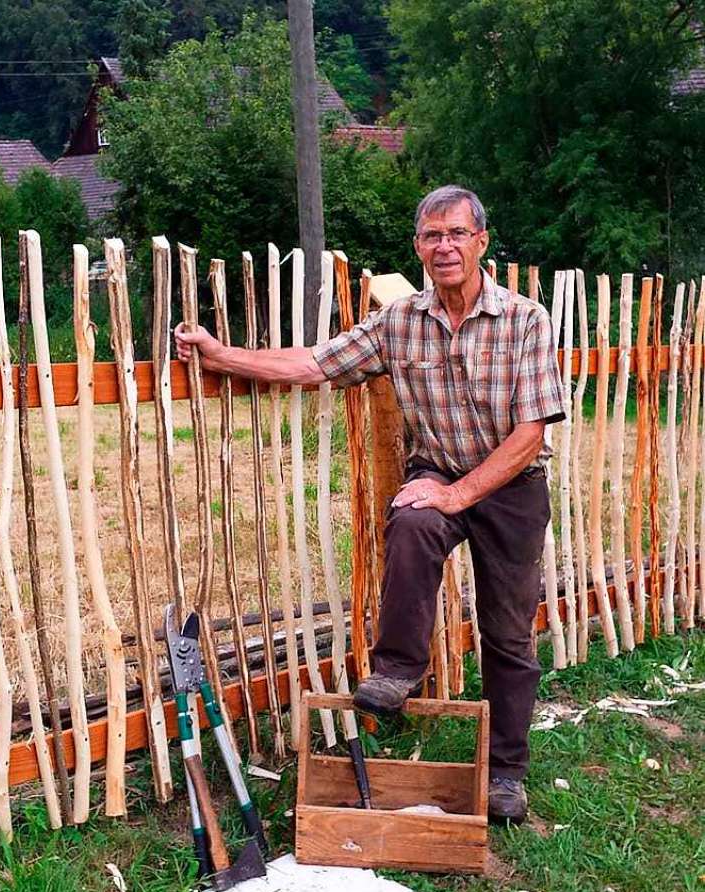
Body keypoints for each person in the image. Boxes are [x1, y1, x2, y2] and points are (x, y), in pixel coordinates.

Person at [174, 184, 565, 824]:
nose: (444, 247)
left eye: (456, 234)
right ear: (417, 248)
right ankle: (398, 671)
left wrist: (459, 493)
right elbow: (316, 364)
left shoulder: (525, 320)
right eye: (432, 236)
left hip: (511, 484)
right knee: (412, 521)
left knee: (508, 633)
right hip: (437, 468)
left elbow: (531, 434)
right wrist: (226, 356)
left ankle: (505, 775)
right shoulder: (400, 321)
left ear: (481, 243)